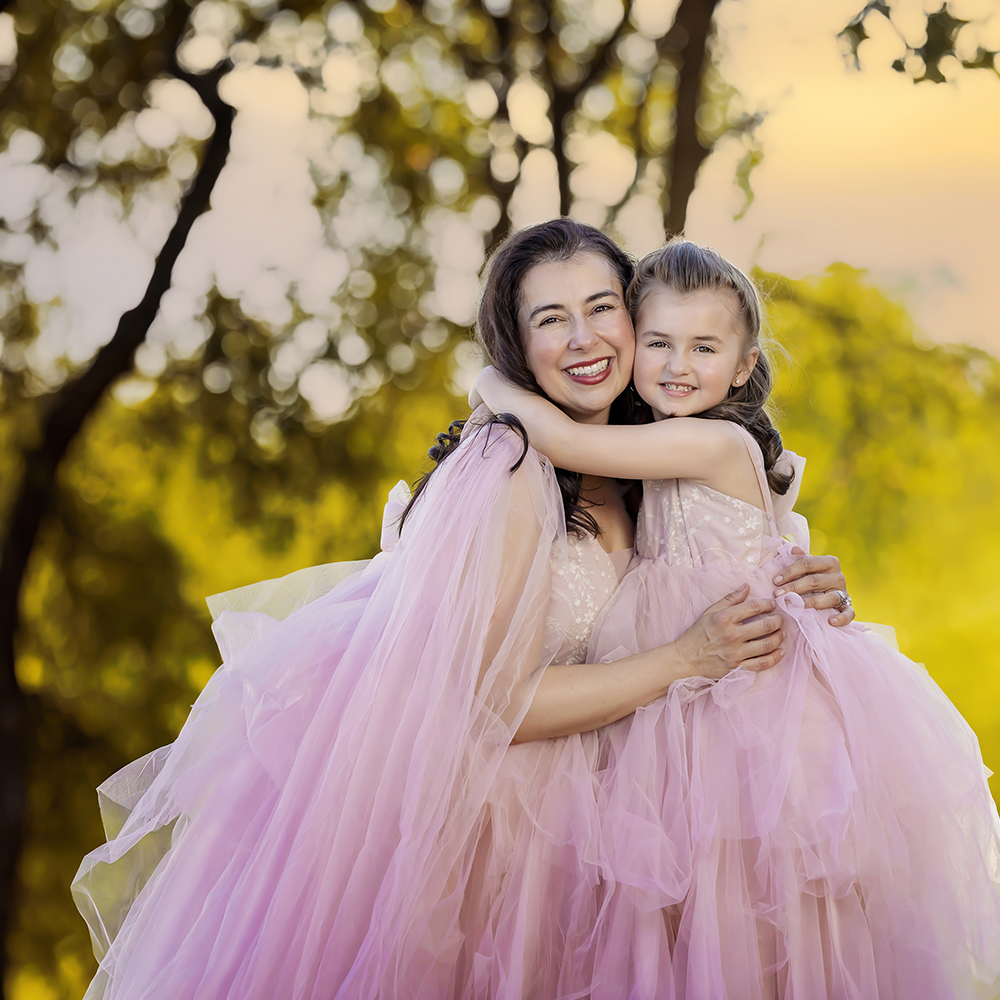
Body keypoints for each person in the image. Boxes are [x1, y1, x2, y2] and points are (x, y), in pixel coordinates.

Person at [71, 220, 857, 999]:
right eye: (551, 320)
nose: (585, 339)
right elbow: (493, 704)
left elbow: (734, 545)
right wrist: (687, 658)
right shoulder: (510, 467)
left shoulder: (653, 450)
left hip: (646, 827)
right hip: (508, 837)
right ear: (516, 346)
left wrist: (804, 587)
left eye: (601, 307)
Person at [471, 239, 1000, 999]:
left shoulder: (712, 440)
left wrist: (493, 379)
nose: (675, 364)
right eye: (659, 342)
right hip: (682, 711)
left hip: (744, 712)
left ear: (745, 363)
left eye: (701, 347)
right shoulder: (643, 450)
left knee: (753, 908)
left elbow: (569, 439)